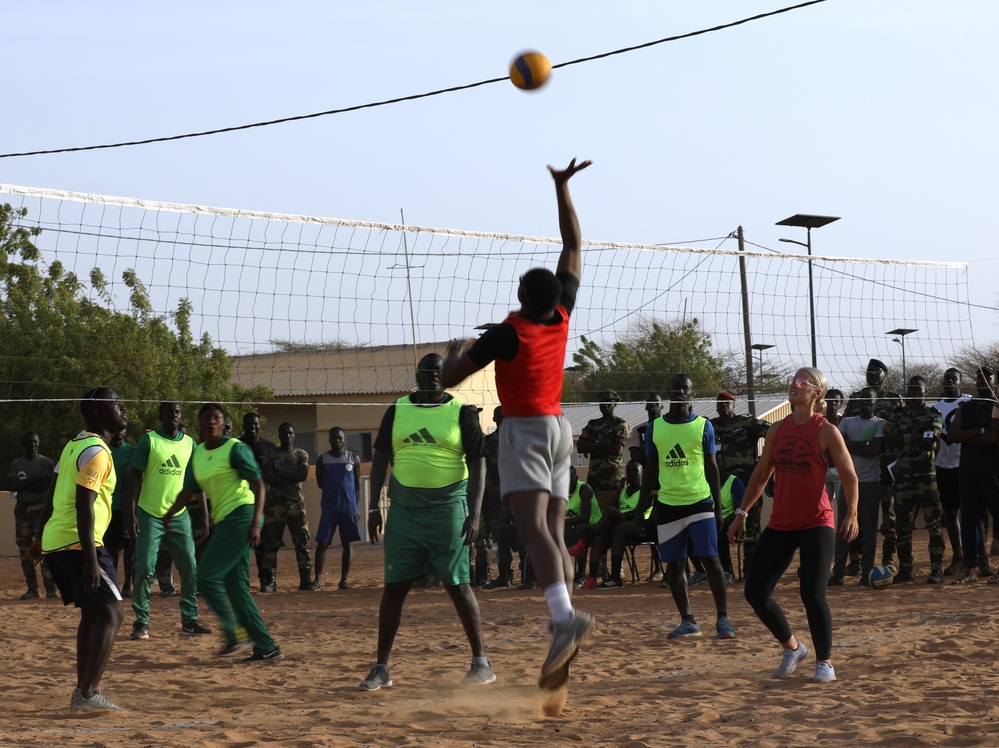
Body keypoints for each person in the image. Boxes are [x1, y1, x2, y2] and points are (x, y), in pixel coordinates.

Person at [441, 158, 594, 693]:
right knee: (553, 534)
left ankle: (564, 620)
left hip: (526, 430)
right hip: (558, 428)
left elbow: (449, 379)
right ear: (553, 296)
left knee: (533, 533)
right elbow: (573, 245)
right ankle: (563, 640)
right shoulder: (563, 314)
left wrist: (456, 350)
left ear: (520, 297)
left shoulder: (508, 333)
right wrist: (563, 189)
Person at [358, 353, 492, 691]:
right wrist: (374, 508)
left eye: (438, 370)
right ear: (416, 376)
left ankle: (481, 664)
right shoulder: (397, 409)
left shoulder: (462, 412)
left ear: (446, 375)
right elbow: (380, 461)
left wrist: (475, 514)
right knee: (394, 586)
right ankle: (381, 668)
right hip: (403, 509)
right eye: (426, 371)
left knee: (458, 584)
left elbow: (479, 465)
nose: (432, 375)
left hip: (448, 508)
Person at [730, 368, 859, 684]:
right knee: (755, 591)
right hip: (782, 523)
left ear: (816, 394)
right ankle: (792, 647)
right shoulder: (776, 430)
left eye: (802, 382)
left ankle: (824, 662)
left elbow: (849, 476)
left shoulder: (826, 431)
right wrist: (741, 513)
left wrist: (852, 512)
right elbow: (761, 475)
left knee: (812, 593)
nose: (794, 385)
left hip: (816, 522)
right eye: (793, 381)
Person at [164, 403, 282, 661]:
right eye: (206, 418)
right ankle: (266, 646)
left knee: (205, 577)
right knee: (236, 586)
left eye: (216, 418)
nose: (211, 422)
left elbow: (259, 485)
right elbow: (189, 490)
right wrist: (170, 512)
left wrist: (254, 523)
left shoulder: (235, 448)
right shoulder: (198, 455)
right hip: (227, 520)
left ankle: (235, 635)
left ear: (224, 423)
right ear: (200, 424)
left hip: (242, 517)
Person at [35, 387, 128, 711]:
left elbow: (51, 493)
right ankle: (88, 694)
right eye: (117, 404)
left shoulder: (74, 445)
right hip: (79, 542)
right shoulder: (97, 452)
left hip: (57, 541)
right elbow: (84, 504)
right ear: (100, 414)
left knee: (93, 614)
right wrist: (91, 560)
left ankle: (83, 692)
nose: (124, 409)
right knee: (113, 613)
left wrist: (39, 538)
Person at [633, 373, 734, 641]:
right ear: (669, 392)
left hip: (700, 503)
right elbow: (650, 472)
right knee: (675, 567)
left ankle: (723, 618)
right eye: (675, 388)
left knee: (711, 560)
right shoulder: (655, 428)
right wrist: (640, 509)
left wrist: (719, 506)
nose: (679, 392)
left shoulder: (703, 426)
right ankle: (688, 621)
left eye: (685, 388)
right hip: (668, 506)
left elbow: (712, 467)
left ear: (692, 394)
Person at [125, 401, 209, 640]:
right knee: (144, 568)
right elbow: (134, 477)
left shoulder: (189, 443)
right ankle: (141, 622)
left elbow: (197, 481)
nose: (174, 414)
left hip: (179, 515)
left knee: (190, 566)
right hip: (150, 513)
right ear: (160, 416)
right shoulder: (149, 440)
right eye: (169, 411)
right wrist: (131, 513)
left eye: (177, 411)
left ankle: (189, 621)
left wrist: (203, 515)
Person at [885, 376, 944, 583]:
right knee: (902, 525)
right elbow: (889, 441)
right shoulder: (898, 415)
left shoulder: (933, 414)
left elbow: (931, 443)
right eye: (911, 390)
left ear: (925, 392)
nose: (915, 394)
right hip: (903, 478)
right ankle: (905, 570)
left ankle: (936, 569)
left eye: (918, 390)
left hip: (927, 478)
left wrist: (906, 440)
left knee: (934, 525)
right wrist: (917, 436)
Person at [844, 359, 902, 567]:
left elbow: (898, 430)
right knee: (856, 514)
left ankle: (888, 558)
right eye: (870, 372)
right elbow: (846, 433)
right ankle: (855, 559)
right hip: (860, 467)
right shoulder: (856, 399)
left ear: (885, 375)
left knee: (889, 515)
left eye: (877, 372)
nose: (873, 375)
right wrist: (862, 445)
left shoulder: (894, 400)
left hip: (885, 466)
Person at [946, 366, 999, 584]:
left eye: (987, 378)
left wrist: (968, 436)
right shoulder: (965, 407)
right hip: (968, 472)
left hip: (993, 472)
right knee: (969, 522)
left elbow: (994, 438)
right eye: (979, 377)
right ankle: (970, 569)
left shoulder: (996, 405)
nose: (982, 381)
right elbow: (952, 435)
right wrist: (980, 431)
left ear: (995, 382)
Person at [710, 390, 770, 572]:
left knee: (751, 526)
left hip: (747, 484)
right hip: (720, 486)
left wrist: (764, 460)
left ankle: (752, 567)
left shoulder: (746, 423)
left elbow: (773, 432)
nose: (724, 407)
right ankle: (723, 569)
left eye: (727, 404)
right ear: (716, 407)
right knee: (717, 525)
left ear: (734, 406)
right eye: (720, 404)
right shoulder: (710, 426)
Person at [257, 422, 317, 592]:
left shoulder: (301, 454)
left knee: (302, 542)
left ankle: (305, 580)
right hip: (275, 505)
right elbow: (268, 476)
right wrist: (291, 478)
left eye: (290, 433)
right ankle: (270, 581)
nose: (287, 436)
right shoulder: (271, 454)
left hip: (296, 504)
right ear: (280, 435)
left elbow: (303, 475)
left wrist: (280, 475)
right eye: (284, 433)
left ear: (294, 435)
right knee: (271, 542)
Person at [834, 388, 885, 586]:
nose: (865, 404)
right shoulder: (846, 422)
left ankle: (866, 573)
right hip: (846, 482)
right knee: (843, 530)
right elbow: (838, 447)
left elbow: (875, 449)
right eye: (862, 401)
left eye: (868, 401)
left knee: (869, 530)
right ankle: (838, 573)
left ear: (875, 403)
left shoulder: (880, 424)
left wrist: (851, 445)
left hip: (870, 482)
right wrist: (864, 443)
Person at [7, 432, 56, 599]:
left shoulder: (45, 462)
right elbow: (11, 484)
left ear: (39, 443)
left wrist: (23, 485)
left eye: (35, 442)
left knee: (44, 547)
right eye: (29, 442)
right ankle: (32, 589)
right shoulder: (16, 464)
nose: (33, 445)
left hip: (41, 510)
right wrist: (33, 481)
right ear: (24, 444)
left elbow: (45, 483)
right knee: (25, 550)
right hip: (21, 512)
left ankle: (50, 589)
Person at [934, 368, 973, 575]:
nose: (949, 382)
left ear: (959, 381)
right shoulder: (936, 407)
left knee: (970, 512)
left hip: (964, 464)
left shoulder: (968, 402)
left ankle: (974, 556)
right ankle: (958, 556)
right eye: (946, 378)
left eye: (953, 379)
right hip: (943, 465)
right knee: (950, 512)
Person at [314, 426, 362, 591]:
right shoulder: (323, 459)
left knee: (347, 544)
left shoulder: (353, 458)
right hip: (329, 508)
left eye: (340, 438)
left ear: (344, 440)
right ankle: (318, 580)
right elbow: (320, 483)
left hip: (348, 509)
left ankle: (344, 580)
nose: (337, 441)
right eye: (334, 438)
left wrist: (357, 508)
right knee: (323, 543)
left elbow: (357, 486)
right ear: (329, 440)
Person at [576, 389, 630, 506]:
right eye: (603, 402)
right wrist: (602, 444)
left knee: (612, 508)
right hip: (594, 477)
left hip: (612, 477)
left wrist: (592, 448)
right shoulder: (592, 424)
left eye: (609, 402)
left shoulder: (620, 424)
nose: (605, 405)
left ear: (615, 404)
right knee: (594, 510)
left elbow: (616, 450)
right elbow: (580, 447)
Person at [103, 427, 135, 597]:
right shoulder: (103, 450)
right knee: (111, 550)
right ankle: (113, 583)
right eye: (117, 429)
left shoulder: (133, 452)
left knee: (129, 549)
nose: (120, 431)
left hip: (128, 510)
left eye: (123, 429)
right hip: (108, 510)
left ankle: (127, 585)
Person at [627, 393, 663, 466]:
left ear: (662, 406)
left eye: (656, 402)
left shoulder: (669, 427)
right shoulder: (638, 429)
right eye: (650, 402)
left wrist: (646, 451)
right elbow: (634, 455)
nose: (653, 404)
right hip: (646, 468)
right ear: (646, 407)